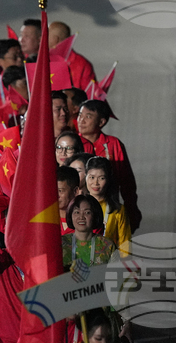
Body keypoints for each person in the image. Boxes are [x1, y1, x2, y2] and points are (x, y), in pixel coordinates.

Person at [77, 100, 141, 231]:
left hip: (108, 212)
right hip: (79, 212)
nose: (81, 120)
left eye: (88, 116)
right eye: (80, 115)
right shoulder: (72, 143)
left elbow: (126, 181)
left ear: (101, 122)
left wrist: (132, 210)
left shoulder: (113, 144)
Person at [84, 157, 131, 250]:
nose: (95, 183)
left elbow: (125, 246)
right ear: (85, 177)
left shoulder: (117, 210)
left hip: (108, 262)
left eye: (101, 178)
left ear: (108, 179)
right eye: (92, 177)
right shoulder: (77, 205)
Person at [63, 195, 117, 270]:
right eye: (77, 212)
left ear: (95, 215)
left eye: (87, 212)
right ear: (70, 215)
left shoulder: (107, 245)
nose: (81, 217)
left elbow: (116, 275)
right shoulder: (62, 243)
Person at [50, 21, 96, 88]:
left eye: (46, 35)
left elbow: (90, 93)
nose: (41, 39)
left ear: (55, 39)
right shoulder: (40, 60)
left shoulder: (81, 64)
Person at [57, 166, 82, 233]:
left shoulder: (86, 221)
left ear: (75, 191)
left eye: (60, 191)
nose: (56, 195)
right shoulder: (45, 219)